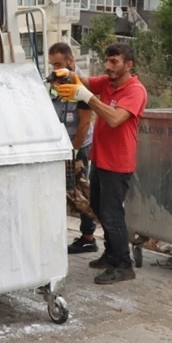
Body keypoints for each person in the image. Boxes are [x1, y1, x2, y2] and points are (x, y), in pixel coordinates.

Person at [53, 42, 147, 285]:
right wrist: (65, 74)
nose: (108, 66)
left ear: (129, 65)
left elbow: (115, 118)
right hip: (101, 158)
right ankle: (111, 253)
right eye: (107, 61)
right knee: (97, 205)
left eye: (114, 62)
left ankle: (124, 265)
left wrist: (87, 98)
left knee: (112, 213)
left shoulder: (135, 91)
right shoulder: (107, 82)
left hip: (118, 163)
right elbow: (84, 80)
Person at [47, 43, 97, 254]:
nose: (55, 69)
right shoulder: (55, 82)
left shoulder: (81, 84)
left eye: (58, 64)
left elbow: (84, 124)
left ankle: (88, 237)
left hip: (77, 146)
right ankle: (57, 235)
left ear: (71, 60)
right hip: (60, 144)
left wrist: (73, 151)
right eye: (52, 65)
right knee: (59, 193)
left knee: (80, 192)